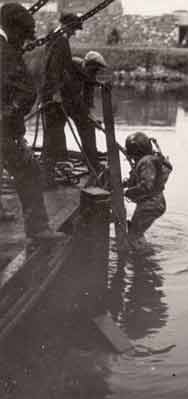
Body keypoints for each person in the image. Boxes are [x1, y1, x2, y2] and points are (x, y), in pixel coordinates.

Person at [0, 2, 64, 241]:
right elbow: (27, 91)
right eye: (24, 37)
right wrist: (10, 116)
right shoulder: (6, 52)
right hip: (5, 132)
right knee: (30, 173)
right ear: (15, 30)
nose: (24, 43)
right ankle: (38, 229)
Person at [41, 12, 84, 185]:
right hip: (54, 95)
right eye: (74, 29)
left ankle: (51, 167)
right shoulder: (60, 40)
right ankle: (50, 172)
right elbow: (54, 68)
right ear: (67, 26)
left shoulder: (54, 36)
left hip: (50, 93)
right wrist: (56, 94)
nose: (74, 33)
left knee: (52, 130)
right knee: (54, 131)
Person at [124, 132, 173, 249]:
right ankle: (143, 259)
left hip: (150, 205)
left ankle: (143, 260)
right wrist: (125, 184)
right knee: (136, 233)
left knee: (133, 236)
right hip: (154, 203)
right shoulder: (150, 160)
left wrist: (126, 192)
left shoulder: (146, 162)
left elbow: (146, 186)